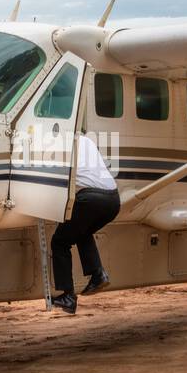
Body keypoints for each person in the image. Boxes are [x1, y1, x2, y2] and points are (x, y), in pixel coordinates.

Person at [50, 133, 120, 314]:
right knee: (82, 231)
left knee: (60, 242)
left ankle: (68, 296)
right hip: (113, 199)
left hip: (91, 198)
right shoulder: (86, 140)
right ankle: (98, 275)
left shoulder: (60, 143)